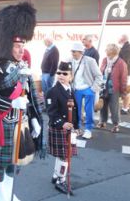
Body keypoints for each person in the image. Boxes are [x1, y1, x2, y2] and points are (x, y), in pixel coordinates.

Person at [0, 2, 45, 201]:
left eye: (22, 45)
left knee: (13, 164)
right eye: (17, 46)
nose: (21, 50)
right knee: (0, 164)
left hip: (21, 122)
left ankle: (7, 194)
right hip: (2, 122)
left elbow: (31, 96)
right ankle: (0, 197)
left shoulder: (23, 66)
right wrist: (10, 103)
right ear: (8, 45)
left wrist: (35, 118)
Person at [46, 61, 78, 195]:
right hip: (59, 127)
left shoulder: (70, 89)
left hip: (70, 128)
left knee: (63, 155)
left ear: (71, 76)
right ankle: (61, 180)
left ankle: (55, 175)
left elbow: (74, 109)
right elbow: (51, 111)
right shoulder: (53, 91)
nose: (61, 76)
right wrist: (62, 123)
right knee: (64, 156)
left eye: (65, 74)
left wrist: (77, 126)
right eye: (59, 73)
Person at [70, 43, 103, 139]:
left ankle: (88, 130)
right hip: (76, 89)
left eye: (74, 52)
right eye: (72, 51)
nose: (72, 53)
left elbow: (99, 76)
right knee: (77, 110)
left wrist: (93, 89)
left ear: (80, 52)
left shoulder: (90, 61)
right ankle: (78, 128)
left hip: (88, 88)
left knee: (89, 110)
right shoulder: (70, 60)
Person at [97, 44, 128, 133]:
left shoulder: (121, 63)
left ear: (114, 52)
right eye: (107, 51)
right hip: (103, 87)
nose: (107, 53)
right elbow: (100, 72)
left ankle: (116, 124)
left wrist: (123, 92)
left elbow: (124, 79)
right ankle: (103, 121)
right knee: (103, 105)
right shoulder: (104, 60)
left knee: (114, 107)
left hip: (114, 88)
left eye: (108, 52)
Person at [118, 34, 130, 114]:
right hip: (124, 72)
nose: (118, 39)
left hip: (124, 73)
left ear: (123, 39)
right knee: (124, 90)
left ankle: (125, 108)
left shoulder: (127, 48)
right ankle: (126, 107)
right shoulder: (125, 47)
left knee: (124, 90)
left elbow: (125, 62)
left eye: (119, 38)